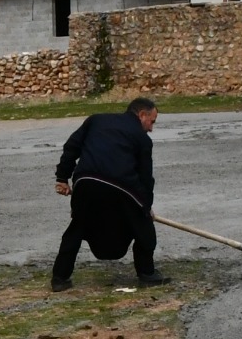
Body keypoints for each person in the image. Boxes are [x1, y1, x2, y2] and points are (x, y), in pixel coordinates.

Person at [51, 97, 167, 290]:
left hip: (86, 181)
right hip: (123, 186)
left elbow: (71, 147)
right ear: (142, 114)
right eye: (152, 122)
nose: (151, 128)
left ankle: (59, 279)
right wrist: (145, 208)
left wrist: (62, 178)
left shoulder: (96, 120)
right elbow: (146, 177)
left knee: (77, 228)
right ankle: (147, 274)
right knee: (143, 227)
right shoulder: (142, 138)